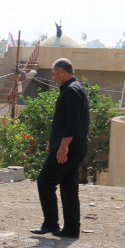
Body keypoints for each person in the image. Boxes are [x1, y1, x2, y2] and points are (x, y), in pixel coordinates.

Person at [31, 58, 90, 238]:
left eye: (54, 73)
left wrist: (63, 146)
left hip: (69, 149)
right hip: (75, 147)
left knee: (45, 182)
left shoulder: (71, 91)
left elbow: (72, 123)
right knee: (68, 186)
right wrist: (54, 143)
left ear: (62, 72)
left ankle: (50, 223)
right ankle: (71, 229)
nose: (53, 77)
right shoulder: (75, 89)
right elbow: (64, 122)